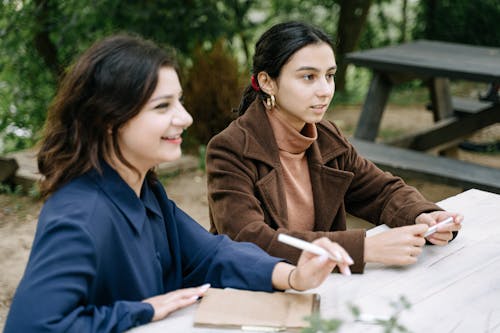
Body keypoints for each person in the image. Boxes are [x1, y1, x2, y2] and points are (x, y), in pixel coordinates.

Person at [4, 34, 353, 333]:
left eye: (180, 101)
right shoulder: (80, 214)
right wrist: (143, 309)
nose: (185, 118)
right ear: (109, 120)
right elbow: (33, 326)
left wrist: (292, 276)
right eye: (162, 106)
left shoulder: (145, 191)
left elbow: (210, 254)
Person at [206, 21, 462, 274]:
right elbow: (248, 239)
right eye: (308, 77)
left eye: (329, 76)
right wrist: (362, 249)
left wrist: (423, 215)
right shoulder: (230, 149)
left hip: (327, 286)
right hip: (263, 293)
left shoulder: (327, 137)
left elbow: (380, 192)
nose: (325, 90)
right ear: (267, 82)